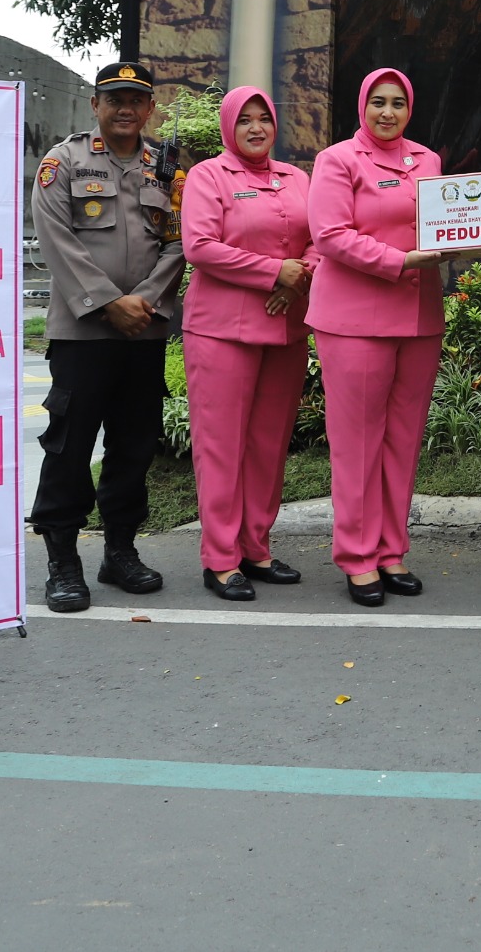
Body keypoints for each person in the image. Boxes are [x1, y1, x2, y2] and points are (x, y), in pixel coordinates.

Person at [28, 62, 185, 613]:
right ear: (95, 104)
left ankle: (120, 550)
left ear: (149, 109)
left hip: (143, 332)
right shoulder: (63, 162)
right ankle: (63, 561)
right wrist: (108, 304)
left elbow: (177, 240)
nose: (125, 108)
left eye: (135, 100)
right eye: (114, 98)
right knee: (69, 447)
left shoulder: (165, 168)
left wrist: (141, 303)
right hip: (82, 333)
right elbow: (56, 239)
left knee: (133, 445)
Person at [307, 69, 443, 608]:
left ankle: (391, 550)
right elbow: (331, 235)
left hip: (417, 317)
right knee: (358, 443)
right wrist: (399, 260)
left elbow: (444, 223)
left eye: (398, 103)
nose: (388, 112)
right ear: (362, 106)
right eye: (378, 102)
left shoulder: (427, 160)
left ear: (410, 109)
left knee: (403, 441)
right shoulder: (337, 160)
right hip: (354, 320)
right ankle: (358, 556)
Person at [179, 86, 317, 602]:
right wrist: (272, 273)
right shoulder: (208, 176)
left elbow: (320, 237)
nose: (256, 128)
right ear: (228, 127)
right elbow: (200, 246)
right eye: (245, 120)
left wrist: (297, 274)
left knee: (267, 443)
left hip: (285, 326)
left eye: (264, 119)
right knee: (222, 445)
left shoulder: (296, 177)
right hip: (222, 330)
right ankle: (219, 559)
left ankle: (255, 547)